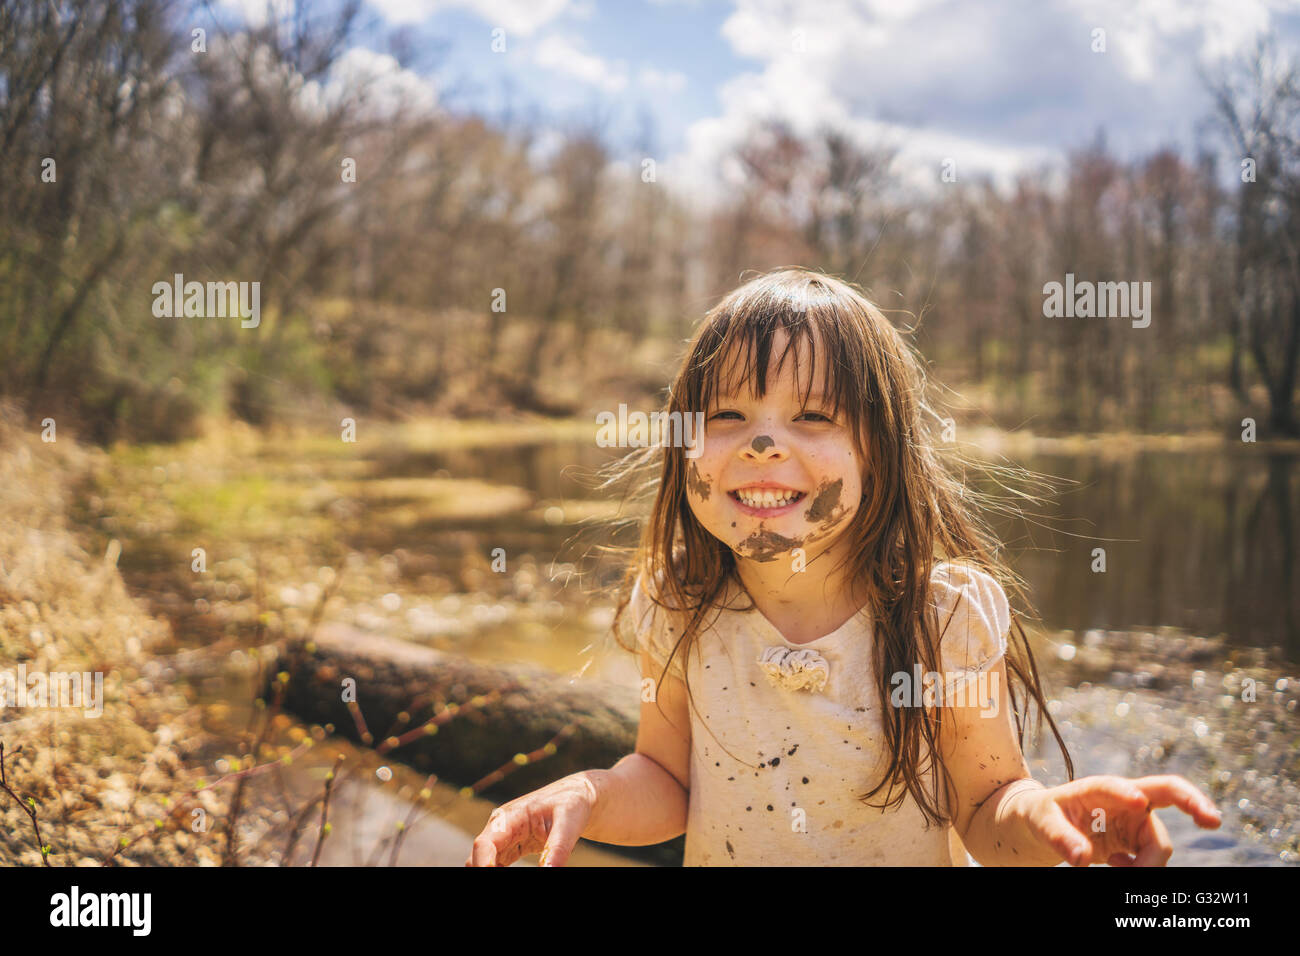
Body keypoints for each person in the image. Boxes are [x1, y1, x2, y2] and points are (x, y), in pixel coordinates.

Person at [466, 268, 1221, 867]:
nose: (762, 445)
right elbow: (667, 784)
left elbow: (988, 811)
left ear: (881, 453)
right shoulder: (677, 603)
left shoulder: (942, 619)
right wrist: (588, 795)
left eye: (813, 417)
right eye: (726, 417)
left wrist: (1050, 814)